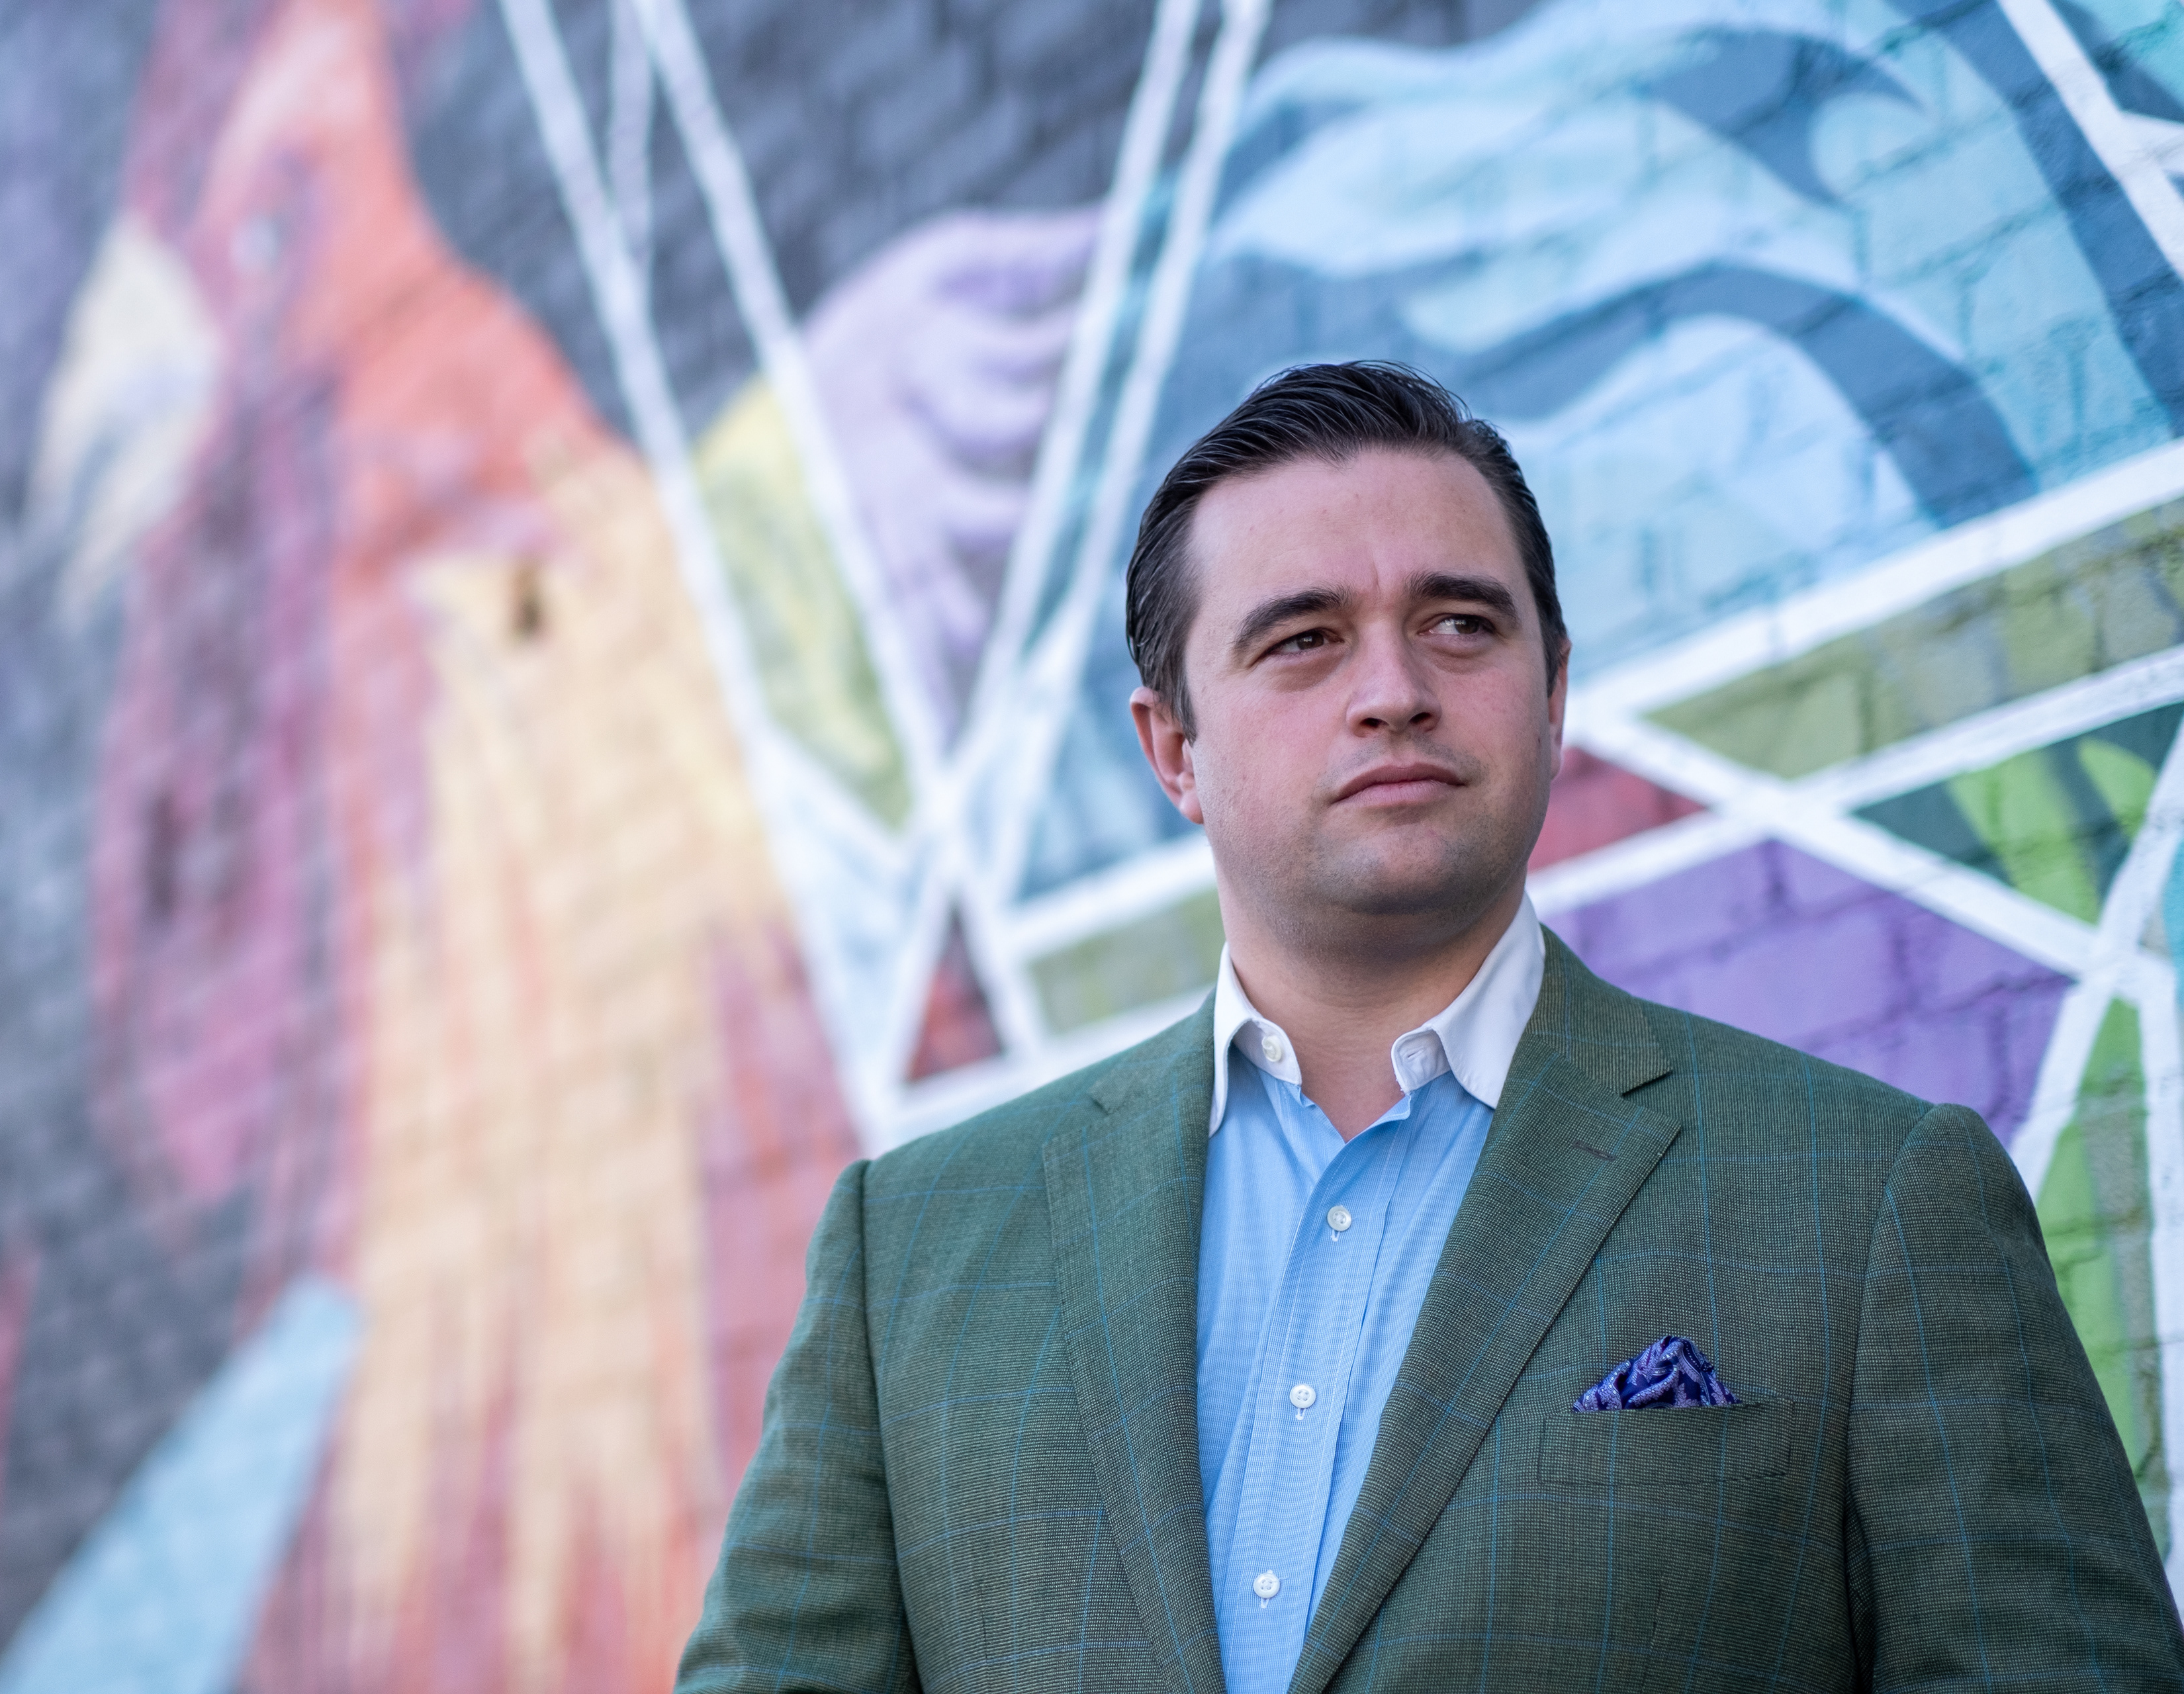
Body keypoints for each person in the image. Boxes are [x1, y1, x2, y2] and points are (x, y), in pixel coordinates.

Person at [675, 362, 2184, 1692]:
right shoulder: (912, 1250)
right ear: (1173, 748)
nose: (1394, 690)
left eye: (1461, 624)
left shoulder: (1868, 1202)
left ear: (1552, 693)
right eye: (1303, 640)